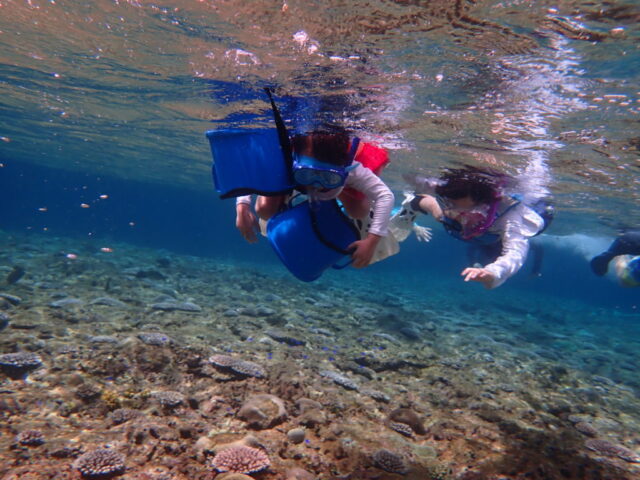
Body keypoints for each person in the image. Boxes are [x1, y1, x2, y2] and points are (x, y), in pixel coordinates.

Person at [235, 129, 395, 268]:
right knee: (264, 210)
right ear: (294, 161)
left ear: (344, 168)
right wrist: (242, 207)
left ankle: (331, 186)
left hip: (343, 186)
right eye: (307, 174)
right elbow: (252, 167)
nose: (316, 186)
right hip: (291, 176)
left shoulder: (352, 170)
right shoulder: (284, 158)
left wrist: (372, 241)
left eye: (329, 178)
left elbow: (385, 196)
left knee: (359, 211)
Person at [397, 166, 553, 289]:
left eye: (466, 212)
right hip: (477, 231)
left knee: (441, 215)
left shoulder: (511, 218)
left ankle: (416, 204)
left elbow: (515, 253)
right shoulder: (449, 198)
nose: (457, 215)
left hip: (494, 233)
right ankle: (413, 204)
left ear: (486, 207)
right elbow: (419, 181)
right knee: (438, 213)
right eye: (449, 205)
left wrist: (492, 272)